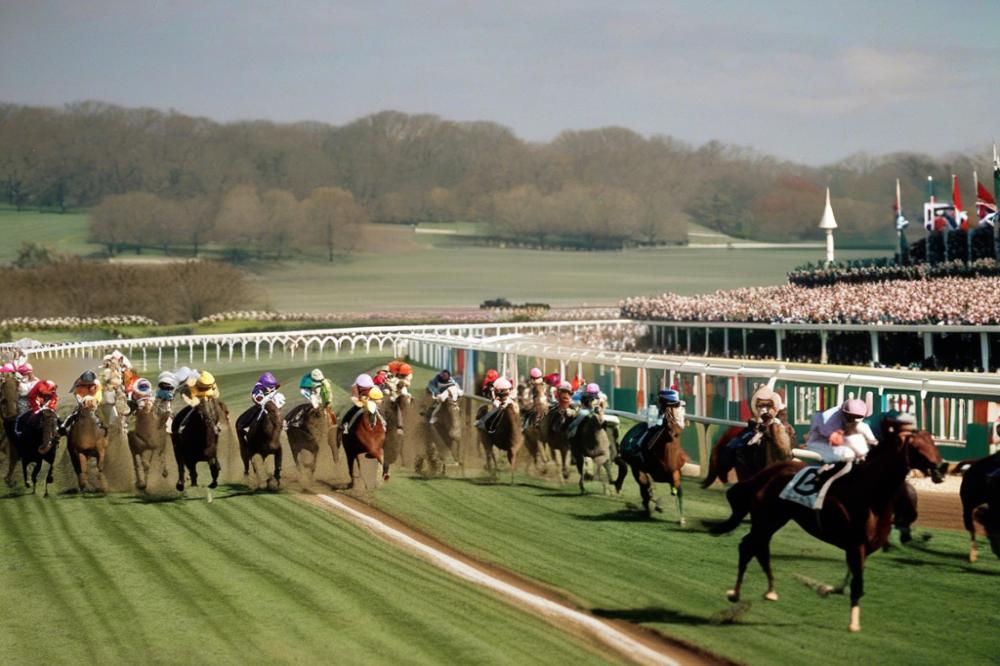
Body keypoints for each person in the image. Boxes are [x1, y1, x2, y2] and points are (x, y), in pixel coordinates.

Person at [805, 398, 877, 463]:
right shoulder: (831, 420)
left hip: (835, 443)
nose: (853, 419)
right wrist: (859, 452)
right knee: (847, 453)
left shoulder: (847, 418)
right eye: (851, 416)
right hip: (819, 444)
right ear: (845, 413)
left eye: (857, 417)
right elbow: (836, 440)